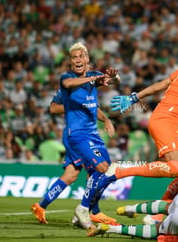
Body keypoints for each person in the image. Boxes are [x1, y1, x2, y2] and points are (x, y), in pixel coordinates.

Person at [103, 36, 178, 222]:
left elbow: (163, 83)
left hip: (167, 120)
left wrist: (135, 97)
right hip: (166, 120)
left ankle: (157, 214)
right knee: (176, 168)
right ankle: (121, 170)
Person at [31, 42, 119, 228]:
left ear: (87, 59)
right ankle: (90, 211)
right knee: (99, 169)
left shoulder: (94, 76)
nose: (78, 60)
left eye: (81, 56)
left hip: (92, 134)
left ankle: (41, 205)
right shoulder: (67, 78)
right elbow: (55, 106)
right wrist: (90, 84)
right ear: (70, 62)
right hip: (77, 134)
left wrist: (112, 77)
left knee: (72, 175)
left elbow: (97, 100)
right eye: (74, 58)